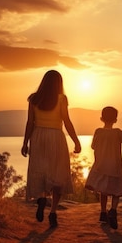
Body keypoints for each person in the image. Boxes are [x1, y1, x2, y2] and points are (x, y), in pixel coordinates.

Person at [21, 70, 81, 228]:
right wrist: (76, 141)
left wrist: (25, 142)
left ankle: (41, 199)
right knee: (58, 174)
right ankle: (53, 212)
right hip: (56, 137)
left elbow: (30, 122)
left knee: (40, 171)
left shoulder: (34, 98)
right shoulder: (62, 99)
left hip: (38, 136)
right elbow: (66, 121)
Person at [85, 106, 122, 229]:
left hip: (101, 166)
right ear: (115, 120)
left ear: (101, 118)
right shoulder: (119, 133)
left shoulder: (98, 132)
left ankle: (103, 212)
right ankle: (113, 210)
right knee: (116, 191)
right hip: (115, 167)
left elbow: (93, 146)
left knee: (102, 190)